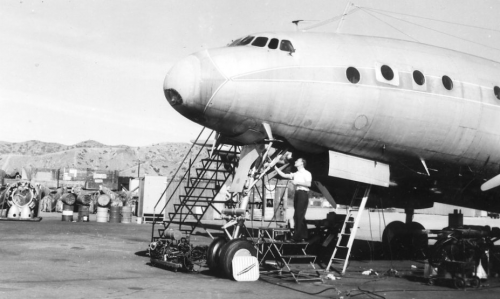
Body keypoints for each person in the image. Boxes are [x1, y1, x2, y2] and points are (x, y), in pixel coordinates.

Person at [275, 158, 312, 242]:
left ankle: (297, 237)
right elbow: (284, 175)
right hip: (298, 193)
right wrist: (275, 167)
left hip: (303, 193)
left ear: (302, 163)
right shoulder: (296, 173)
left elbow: (308, 184)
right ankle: (304, 235)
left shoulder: (307, 173)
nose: (295, 161)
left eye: (297, 161)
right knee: (297, 215)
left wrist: (297, 182)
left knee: (299, 215)